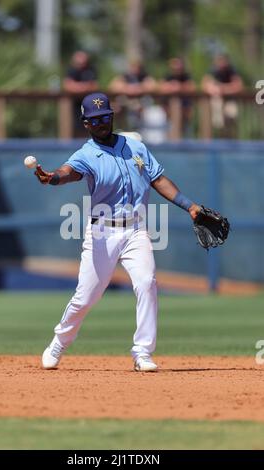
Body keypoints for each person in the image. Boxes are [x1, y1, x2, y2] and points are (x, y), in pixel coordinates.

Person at [35, 92, 201, 372]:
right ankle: (59, 342)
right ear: (85, 123)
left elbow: (158, 179)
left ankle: (142, 352)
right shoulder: (86, 153)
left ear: (112, 116)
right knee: (86, 297)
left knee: (147, 283)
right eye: (94, 119)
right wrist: (53, 178)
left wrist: (190, 206)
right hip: (102, 233)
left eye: (105, 117)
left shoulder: (135, 146)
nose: (101, 122)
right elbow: (69, 172)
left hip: (136, 231)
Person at [201, 54, 244, 136]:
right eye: (219, 61)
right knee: (218, 123)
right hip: (217, 101)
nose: (222, 64)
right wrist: (214, 89)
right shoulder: (213, 70)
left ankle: (229, 138)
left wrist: (223, 89)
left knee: (232, 118)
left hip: (230, 101)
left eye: (223, 61)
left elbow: (239, 85)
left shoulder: (231, 71)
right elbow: (204, 84)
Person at [108, 60, 156, 130]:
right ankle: (121, 129)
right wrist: (127, 88)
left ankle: (139, 129)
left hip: (142, 103)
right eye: (133, 67)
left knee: (138, 107)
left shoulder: (144, 76)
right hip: (126, 102)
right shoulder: (124, 76)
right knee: (116, 108)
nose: (134, 69)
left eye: (136, 67)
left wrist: (140, 88)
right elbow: (112, 86)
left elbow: (153, 86)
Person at [63, 51, 99, 136]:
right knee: (76, 128)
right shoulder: (71, 70)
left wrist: (78, 87)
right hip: (75, 105)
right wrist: (85, 87)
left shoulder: (91, 69)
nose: (82, 64)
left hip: (90, 105)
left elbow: (95, 86)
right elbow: (68, 86)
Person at [158, 57, 196, 136]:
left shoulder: (186, 76)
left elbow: (192, 87)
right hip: (169, 110)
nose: (176, 67)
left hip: (185, 109)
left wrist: (180, 87)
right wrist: (172, 86)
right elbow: (161, 87)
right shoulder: (168, 76)